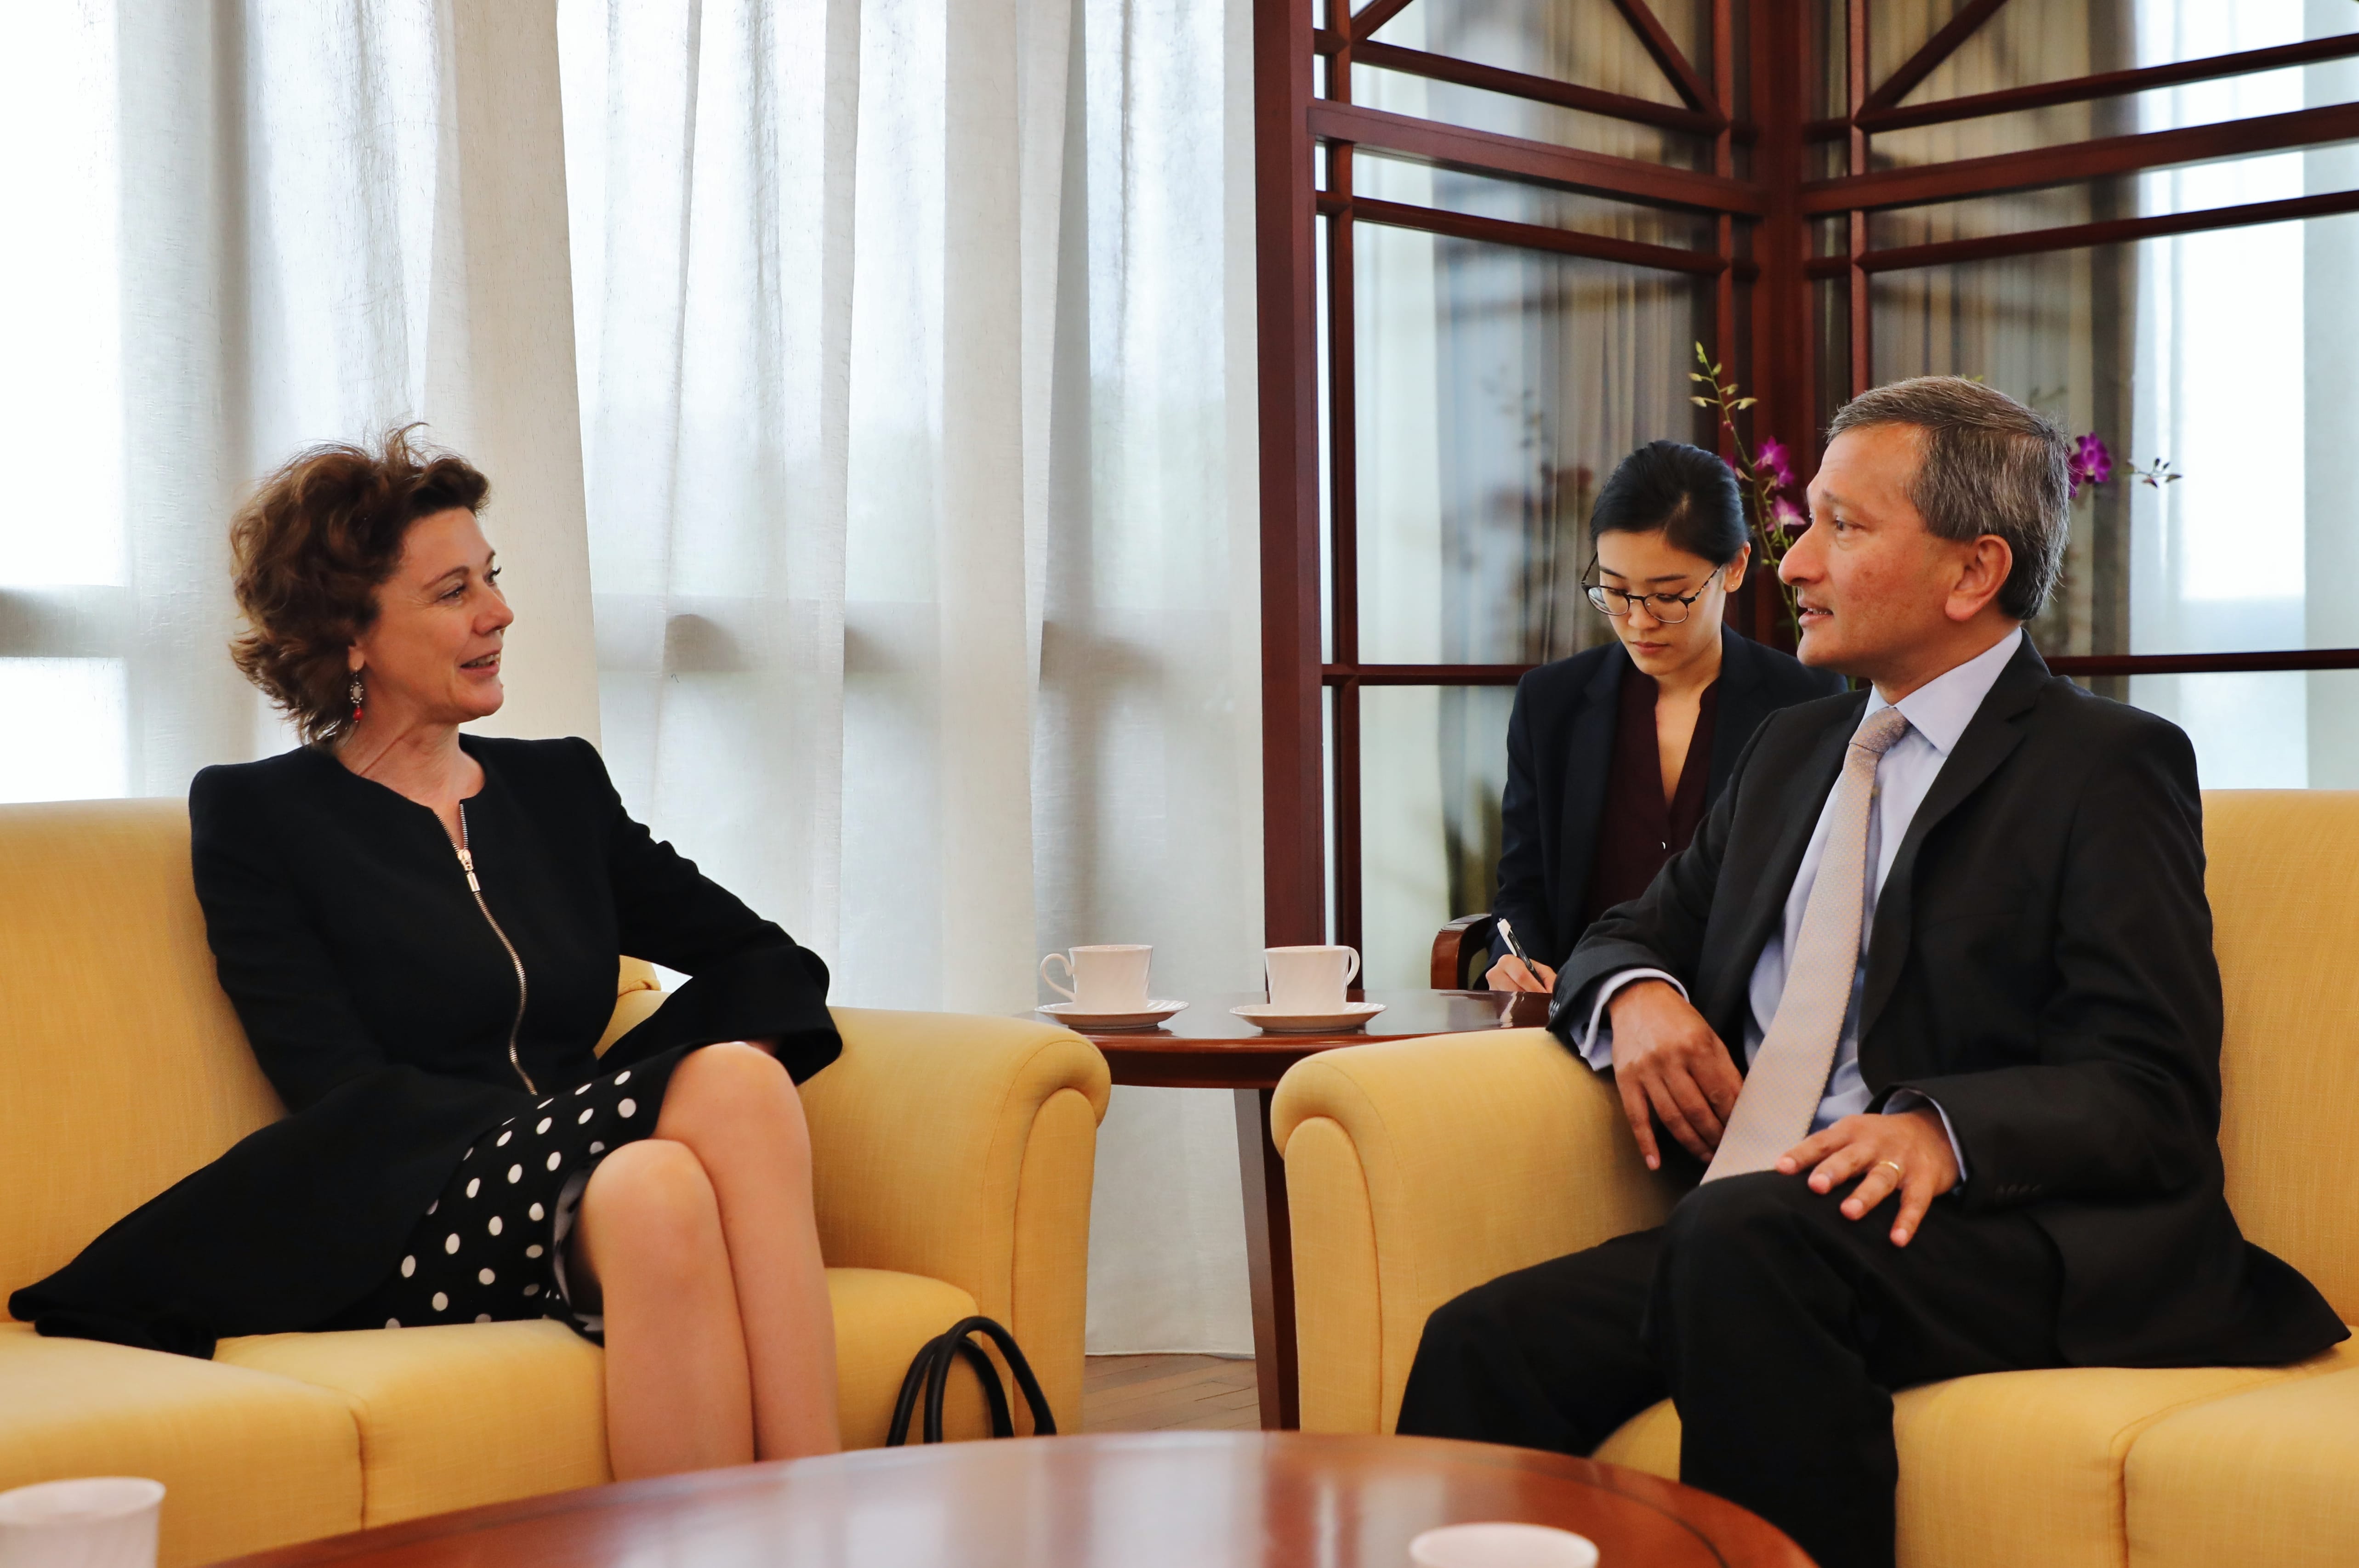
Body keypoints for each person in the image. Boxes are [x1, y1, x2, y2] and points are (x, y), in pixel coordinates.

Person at [1395, 379, 2346, 1568]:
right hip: (1769, 1227)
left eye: (1840, 528)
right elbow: (1625, 930)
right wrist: (1636, 996)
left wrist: (1939, 1131)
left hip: (2000, 1231)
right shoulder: (1788, 749)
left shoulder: (2103, 765)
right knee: (1480, 1340)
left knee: (1743, 1239)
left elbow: (2149, 1084)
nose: (1791, 565)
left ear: (1970, 571)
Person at [10, 430, 845, 1478]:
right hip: (410, 1205)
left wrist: (615, 1105)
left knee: (662, 1183)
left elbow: (761, 959)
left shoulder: (558, 789)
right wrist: (600, 1111)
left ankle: (778, 1531)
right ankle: (831, 1515)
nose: (498, 613)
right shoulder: (262, 815)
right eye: (454, 591)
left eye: (491, 579)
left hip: (590, 1183)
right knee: (722, 1086)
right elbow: (342, 1089)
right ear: (352, 633)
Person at [1486, 440, 1842, 993]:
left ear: (1735, 567)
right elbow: (1522, 888)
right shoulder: (1550, 702)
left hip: (1733, 1017)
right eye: (1616, 591)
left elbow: (1814, 893)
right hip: (1579, 1007)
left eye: (1669, 596)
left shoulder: (1804, 699)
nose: (1638, 622)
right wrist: (1516, 960)